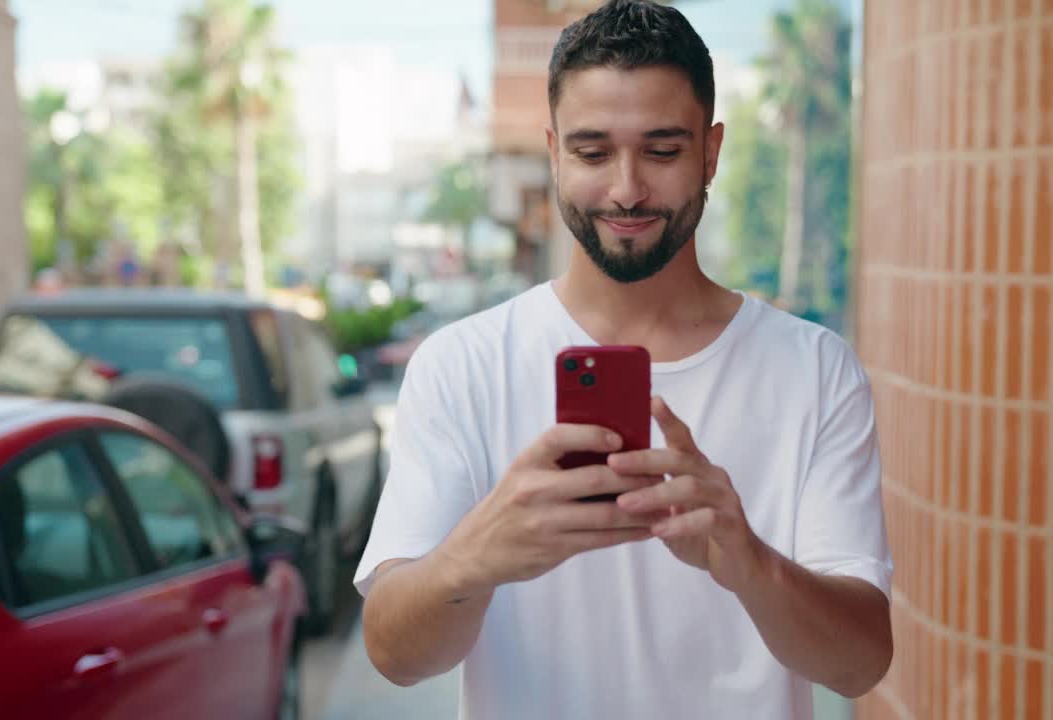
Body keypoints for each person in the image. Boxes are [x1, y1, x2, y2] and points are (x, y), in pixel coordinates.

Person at [355, 1, 893, 717]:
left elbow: (859, 666)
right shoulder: (461, 365)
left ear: (711, 151)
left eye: (663, 150)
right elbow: (394, 654)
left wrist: (749, 561)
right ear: (552, 153)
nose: (627, 188)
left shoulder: (816, 370)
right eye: (592, 151)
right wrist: (476, 556)